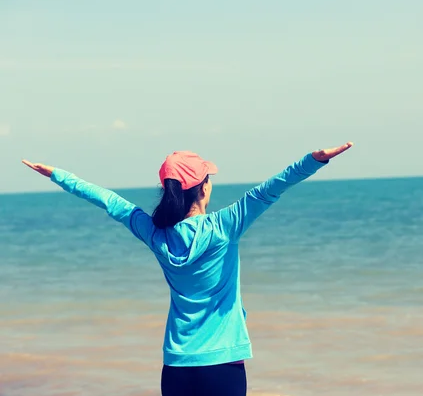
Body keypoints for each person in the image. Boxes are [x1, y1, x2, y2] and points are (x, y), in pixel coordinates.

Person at [22, 141, 353, 396]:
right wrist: (316, 159)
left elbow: (109, 201)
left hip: (177, 366)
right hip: (223, 364)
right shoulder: (226, 225)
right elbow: (273, 188)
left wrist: (58, 175)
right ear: (203, 187)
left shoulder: (155, 233)